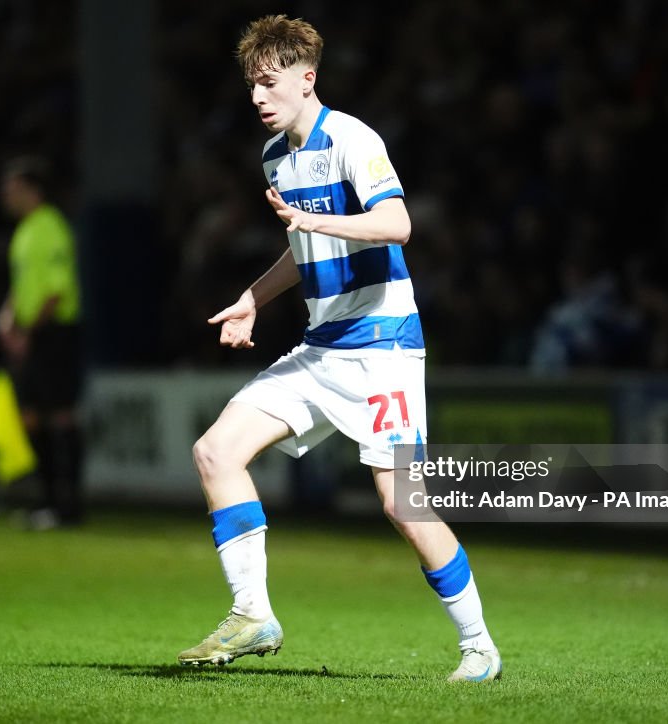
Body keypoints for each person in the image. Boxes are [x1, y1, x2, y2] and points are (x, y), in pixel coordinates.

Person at [177, 15, 501, 683]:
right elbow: (302, 248)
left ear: (307, 78)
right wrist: (252, 299)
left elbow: (397, 224)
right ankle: (252, 614)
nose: (258, 96)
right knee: (215, 452)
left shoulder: (354, 139)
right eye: (251, 85)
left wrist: (314, 219)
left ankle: (480, 647)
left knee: (401, 503)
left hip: (383, 346)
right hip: (321, 348)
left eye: (270, 82)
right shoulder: (276, 156)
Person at [0, 156, 84, 529]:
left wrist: (27, 332)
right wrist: (8, 316)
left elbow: (55, 291)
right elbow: (23, 286)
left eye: (13, 189)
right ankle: (47, 502)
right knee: (31, 417)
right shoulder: (25, 231)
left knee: (60, 414)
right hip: (30, 333)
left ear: (33, 190)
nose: (6, 196)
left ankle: (69, 506)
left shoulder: (50, 227)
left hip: (54, 333)